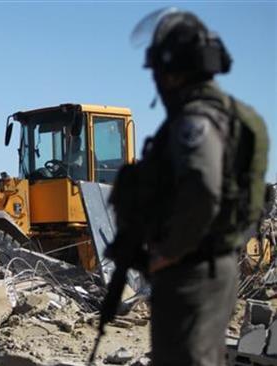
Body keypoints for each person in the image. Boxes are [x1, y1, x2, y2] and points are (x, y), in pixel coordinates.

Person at [128, 8, 269, 365]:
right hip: (214, 267)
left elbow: (203, 192)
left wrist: (167, 254)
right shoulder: (235, 116)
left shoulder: (195, 122)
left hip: (190, 271)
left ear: (174, 70)